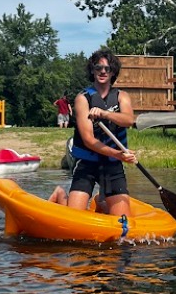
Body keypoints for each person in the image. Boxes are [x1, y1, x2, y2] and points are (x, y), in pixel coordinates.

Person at [48, 49, 136, 217]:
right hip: (87, 163)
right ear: (92, 70)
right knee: (74, 219)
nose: (103, 71)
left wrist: (105, 114)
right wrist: (118, 154)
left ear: (112, 72)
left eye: (107, 68)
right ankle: (61, 195)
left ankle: (102, 203)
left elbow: (129, 120)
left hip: (112, 164)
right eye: (98, 67)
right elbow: (88, 140)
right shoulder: (82, 99)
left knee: (123, 222)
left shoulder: (121, 96)